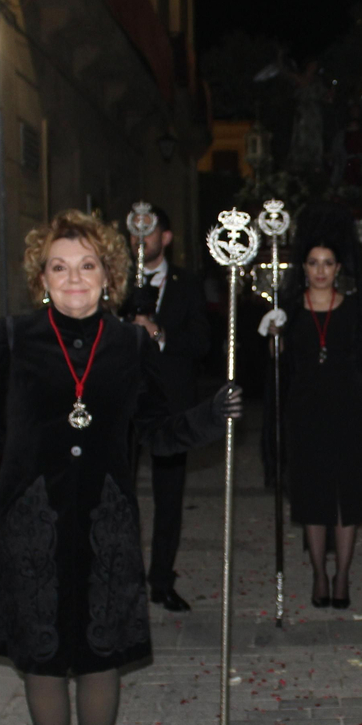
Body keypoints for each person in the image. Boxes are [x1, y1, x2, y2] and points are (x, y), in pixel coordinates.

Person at [0, 210, 240, 725]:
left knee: (100, 660)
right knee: (43, 663)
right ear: (41, 277)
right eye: (60, 267)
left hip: (105, 526)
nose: (74, 279)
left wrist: (210, 416)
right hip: (29, 528)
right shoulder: (13, 338)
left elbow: (156, 430)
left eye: (88, 266)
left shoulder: (129, 345)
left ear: (109, 277)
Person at [260, 210, 362, 609]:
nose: (320, 271)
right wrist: (273, 337)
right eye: (313, 263)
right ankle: (318, 574)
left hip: (347, 408)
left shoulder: (352, 308)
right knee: (312, 497)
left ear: (338, 268)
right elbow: (277, 364)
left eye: (327, 264)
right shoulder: (290, 310)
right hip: (305, 412)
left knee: (346, 497)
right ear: (304, 267)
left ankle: (343, 575)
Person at [120, 208, 211, 612]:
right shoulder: (115, 280)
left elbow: (202, 343)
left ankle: (161, 578)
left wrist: (158, 333)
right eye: (134, 230)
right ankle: (122, 576)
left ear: (167, 237)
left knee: (169, 497)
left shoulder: (187, 284)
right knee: (118, 493)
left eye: (150, 229)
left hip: (170, 403)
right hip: (122, 400)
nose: (141, 237)